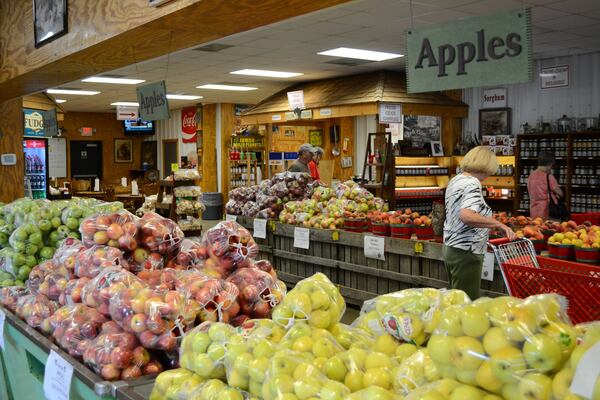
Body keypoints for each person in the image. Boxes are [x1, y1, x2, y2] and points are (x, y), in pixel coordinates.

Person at [443, 146, 516, 300]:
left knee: (456, 300)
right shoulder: (472, 184)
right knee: (467, 303)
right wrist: (497, 224)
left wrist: (486, 226)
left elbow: (458, 215)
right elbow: (467, 215)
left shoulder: (456, 179)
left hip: (451, 248)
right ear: (486, 165)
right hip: (466, 251)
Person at [527, 151, 563, 220]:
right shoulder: (548, 177)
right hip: (547, 211)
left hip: (534, 210)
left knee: (536, 229)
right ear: (551, 163)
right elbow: (560, 193)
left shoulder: (531, 176)